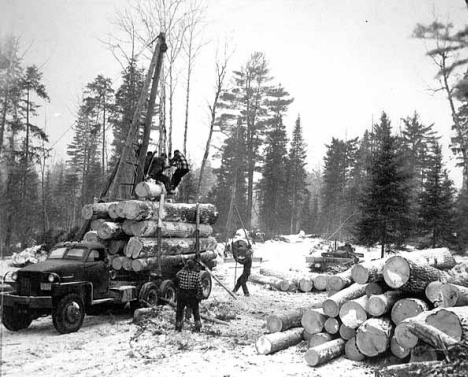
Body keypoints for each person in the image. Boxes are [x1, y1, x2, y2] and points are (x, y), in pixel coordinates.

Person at [174, 259, 203, 332]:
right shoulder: (196, 275)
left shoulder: (181, 273)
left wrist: (183, 268)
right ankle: (198, 326)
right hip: (192, 295)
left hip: (182, 294)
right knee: (195, 311)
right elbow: (200, 287)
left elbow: (176, 277)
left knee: (179, 311)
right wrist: (200, 295)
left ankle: (178, 327)